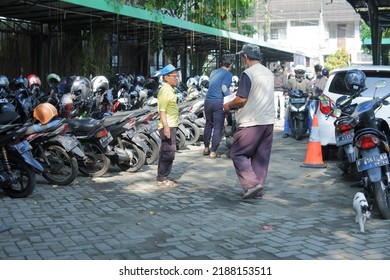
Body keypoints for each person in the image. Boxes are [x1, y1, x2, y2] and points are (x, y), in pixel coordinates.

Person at [223, 43, 274, 199]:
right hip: (268, 121)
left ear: (245, 57)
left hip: (252, 121)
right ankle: (257, 189)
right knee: (261, 157)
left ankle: (252, 185)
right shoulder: (268, 73)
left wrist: (228, 105)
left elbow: (241, 98)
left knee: (237, 152)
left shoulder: (249, 73)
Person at [203, 54, 234, 158]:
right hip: (218, 102)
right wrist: (230, 99)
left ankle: (206, 148)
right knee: (218, 127)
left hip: (207, 101)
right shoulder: (228, 74)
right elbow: (224, 87)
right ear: (231, 64)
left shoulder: (213, 72)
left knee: (208, 124)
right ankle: (213, 152)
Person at [156, 64, 181, 188]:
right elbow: (162, 111)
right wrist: (166, 127)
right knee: (168, 152)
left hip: (171, 125)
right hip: (168, 126)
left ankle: (164, 176)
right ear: (166, 77)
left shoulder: (170, 89)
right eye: (174, 76)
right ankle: (162, 178)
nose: (177, 78)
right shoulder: (165, 90)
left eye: (177, 76)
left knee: (167, 151)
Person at [282, 64, 312, 138]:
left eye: (301, 72)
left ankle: (311, 132)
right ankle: (286, 132)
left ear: (304, 73)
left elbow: (310, 91)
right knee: (287, 116)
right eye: (298, 72)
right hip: (292, 101)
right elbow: (286, 89)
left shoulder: (307, 82)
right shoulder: (290, 81)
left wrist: (309, 93)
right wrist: (286, 92)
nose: (300, 74)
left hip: (304, 101)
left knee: (309, 116)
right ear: (295, 72)